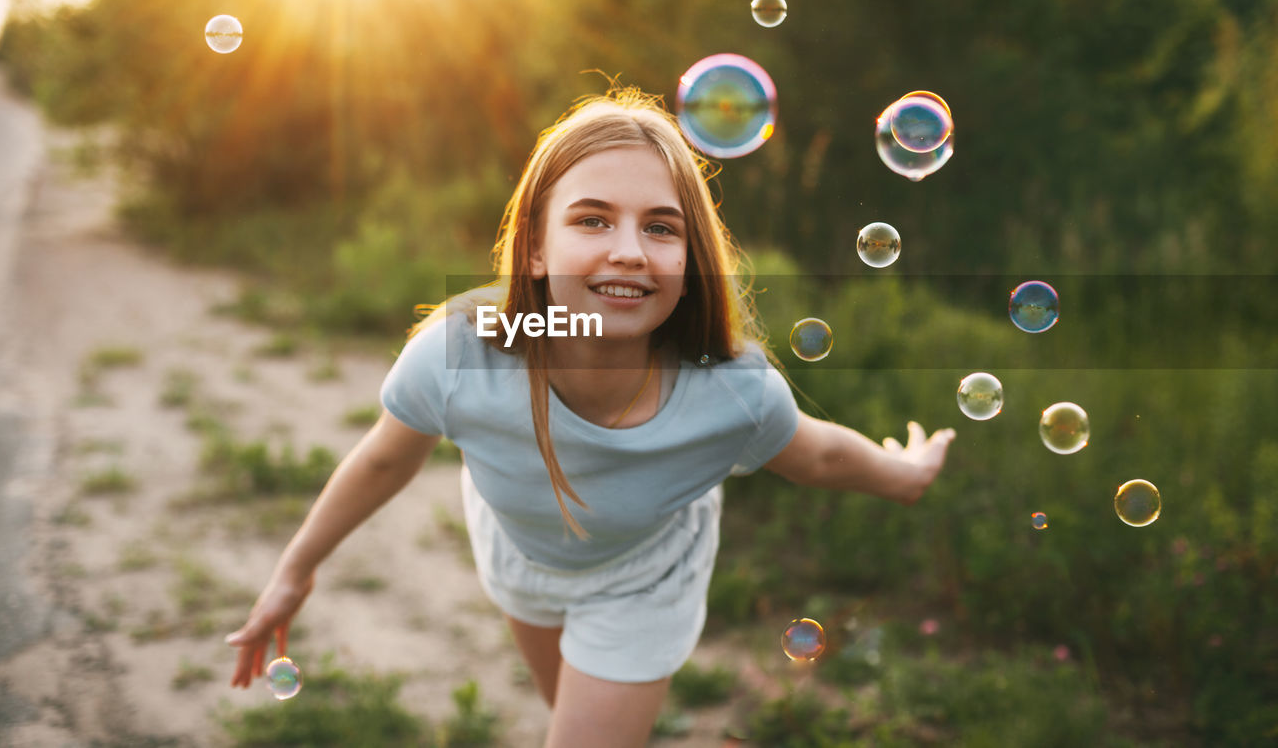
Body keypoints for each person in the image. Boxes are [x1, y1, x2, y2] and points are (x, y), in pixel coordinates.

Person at [224, 87, 955, 747]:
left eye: (662, 229)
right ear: (537, 249)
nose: (630, 250)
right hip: (521, 553)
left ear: (691, 259)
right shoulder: (461, 353)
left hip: (648, 572)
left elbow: (819, 454)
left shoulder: (729, 390)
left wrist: (903, 473)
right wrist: (295, 569)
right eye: (593, 219)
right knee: (571, 714)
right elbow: (387, 456)